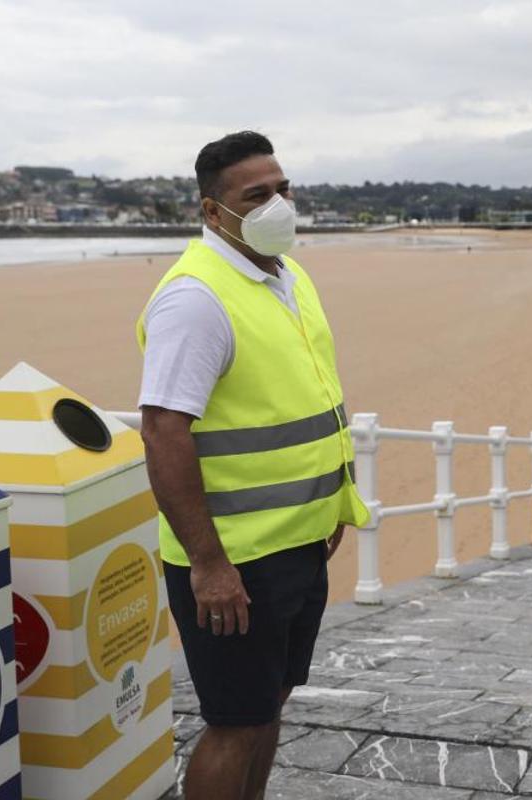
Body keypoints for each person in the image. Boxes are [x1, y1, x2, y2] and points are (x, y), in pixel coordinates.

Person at [136, 131, 369, 800]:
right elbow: (162, 432)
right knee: (234, 723)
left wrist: (328, 508)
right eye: (256, 195)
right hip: (234, 561)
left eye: (283, 188)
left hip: (297, 543)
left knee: (270, 704)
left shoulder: (285, 274)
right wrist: (208, 564)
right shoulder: (195, 299)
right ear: (213, 211)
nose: (278, 204)